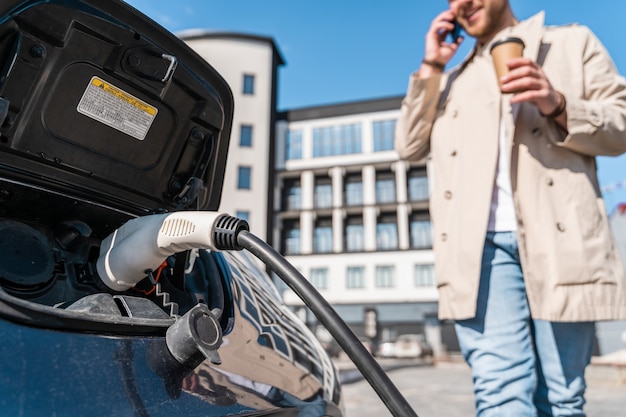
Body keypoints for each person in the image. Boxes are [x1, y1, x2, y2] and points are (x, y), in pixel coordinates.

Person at [394, 0, 626, 416]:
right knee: (501, 397)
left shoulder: (570, 42)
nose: (461, 4)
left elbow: (621, 124)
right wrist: (432, 66)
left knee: (562, 399)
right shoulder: (451, 80)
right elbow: (408, 146)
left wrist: (558, 103)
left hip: (561, 240)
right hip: (478, 250)